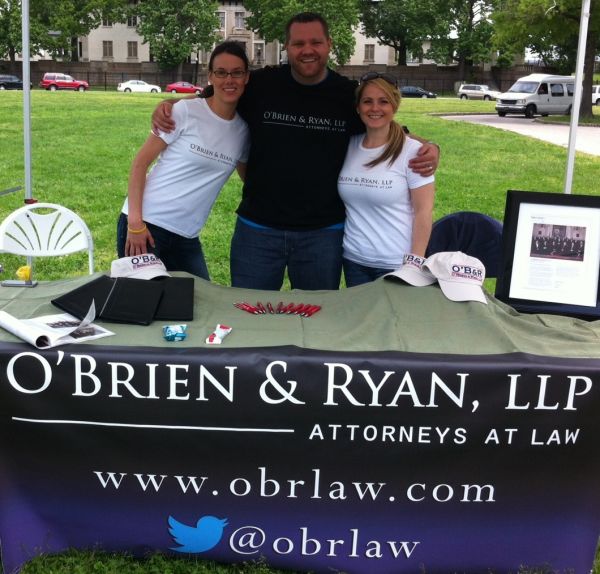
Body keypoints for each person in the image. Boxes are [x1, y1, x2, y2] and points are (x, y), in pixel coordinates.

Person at [152, 12, 440, 290]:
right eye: (299, 43)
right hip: (258, 230)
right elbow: (216, 95)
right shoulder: (262, 85)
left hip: (322, 234)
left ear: (328, 44)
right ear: (287, 47)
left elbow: (381, 121)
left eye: (315, 42)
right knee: (251, 317)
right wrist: (170, 104)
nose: (307, 50)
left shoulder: (345, 94)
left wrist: (427, 145)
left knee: (316, 322)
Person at [116, 41, 250, 280]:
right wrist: (135, 224)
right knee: (141, 306)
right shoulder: (184, 111)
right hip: (147, 225)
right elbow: (139, 164)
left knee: (199, 304)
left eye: (236, 72)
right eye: (221, 72)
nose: (229, 80)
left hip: (186, 237)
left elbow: (249, 180)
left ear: (246, 77)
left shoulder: (242, 132)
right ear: (210, 76)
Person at [338, 75, 435, 287]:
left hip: (396, 264)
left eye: (383, 101)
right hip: (354, 260)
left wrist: (415, 262)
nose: (375, 108)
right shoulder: (348, 146)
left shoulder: (413, 152)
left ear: (395, 106)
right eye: (367, 101)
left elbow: (424, 211)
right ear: (358, 107)